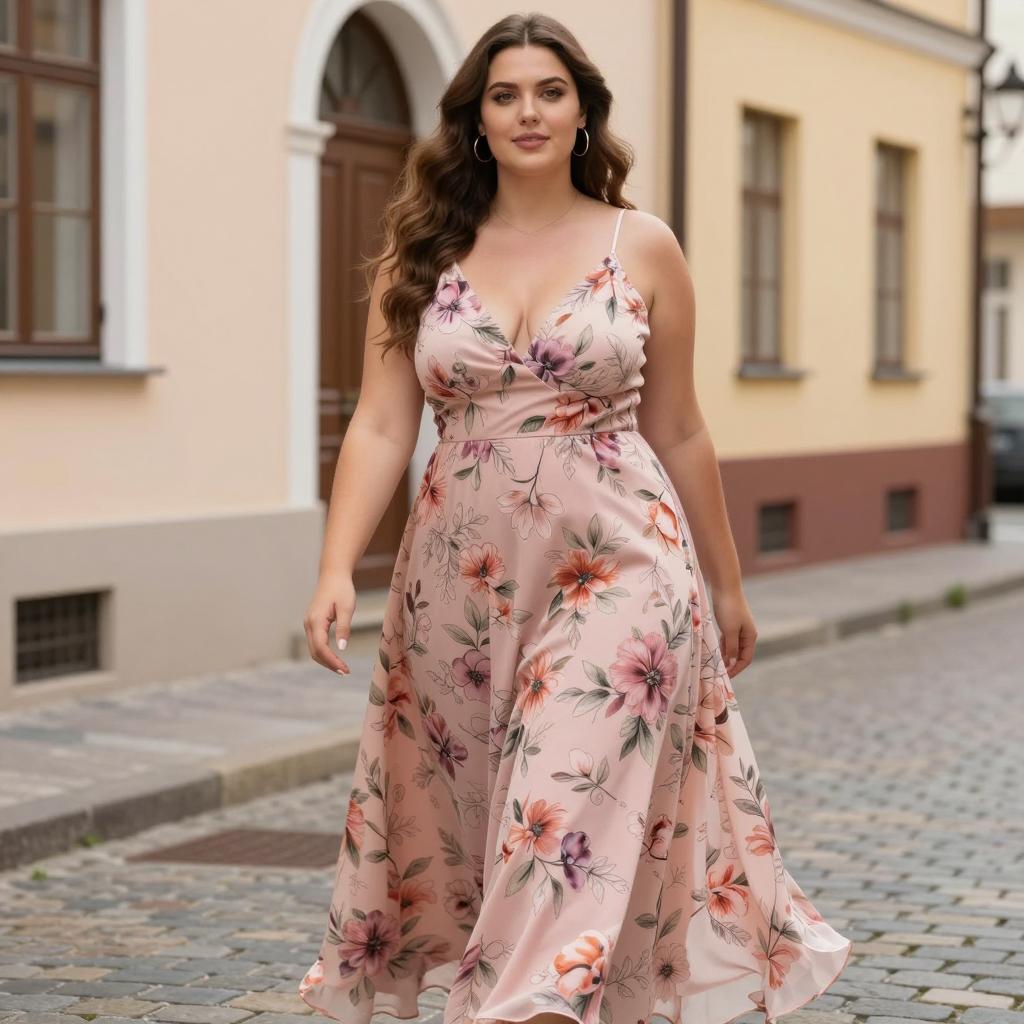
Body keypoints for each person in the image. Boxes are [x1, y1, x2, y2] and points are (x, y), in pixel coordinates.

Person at [297, 12, 852, 1024]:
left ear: (584, 111)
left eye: (549, 92)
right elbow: (381, 425)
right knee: (482, 832)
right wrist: (337, 568)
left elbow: (680, 426)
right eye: (504, 95)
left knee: (557, 807)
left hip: (622, 568)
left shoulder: (640, 244)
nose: (527, 112)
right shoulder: (421, 248)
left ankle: (526, 1008)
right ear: (475, 119)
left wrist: (726, 582)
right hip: (458, 593)